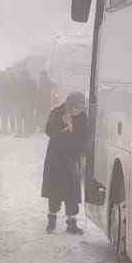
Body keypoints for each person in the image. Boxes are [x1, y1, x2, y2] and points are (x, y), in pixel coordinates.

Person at [41, 90, 89, 233]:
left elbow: (84, 136)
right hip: (56, 158)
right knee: (55, 191)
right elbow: (48, 131)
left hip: (72, 158)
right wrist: (62, 125)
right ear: (70, 104)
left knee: (72, 193)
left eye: (81, 107)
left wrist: (82, 151)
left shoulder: (82, 117)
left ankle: (71, 223)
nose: (79, 110)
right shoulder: (57, 112)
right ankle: (52, 220)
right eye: (77, 107)